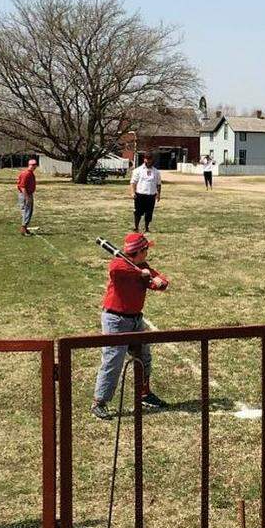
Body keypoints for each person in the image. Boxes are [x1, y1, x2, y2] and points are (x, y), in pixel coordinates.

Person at [92, 232, 170, 420]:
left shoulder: (143, 267)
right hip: (115, 320)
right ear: (139, 251)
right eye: (146, 249)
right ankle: (99, 402)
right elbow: (115, 271)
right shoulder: (120, 265)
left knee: (144, 356)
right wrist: (139, 273)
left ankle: (144, 393)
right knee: (113, 360)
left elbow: (160, 281)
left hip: (135, 319)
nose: (148, 251)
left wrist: (159, 282)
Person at [131, 153, 162, 232]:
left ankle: (146, 227)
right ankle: (136, 227)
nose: (148, 161)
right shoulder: (138, 170)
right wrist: (133, 192)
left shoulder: (156, 172)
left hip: (151, 195)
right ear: (144, 159)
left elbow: (158, 184)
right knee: (138, 212)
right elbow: (133, 182)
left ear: (152, 160)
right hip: (140, 194)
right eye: (146, 159)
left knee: (149, 213)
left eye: (150, 159)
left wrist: (158, 194)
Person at [16, 158, 37, 236]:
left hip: (28, 194)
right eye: (32, 165)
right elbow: (22, 187)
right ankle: (23, 228)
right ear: (29, 165)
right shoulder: (26, 174)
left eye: (35, 165)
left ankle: (25, 227)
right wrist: (27, 197)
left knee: (29, 211)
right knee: (26, 211)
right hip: (25, 194)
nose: (34, 167)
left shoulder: (31, 173)